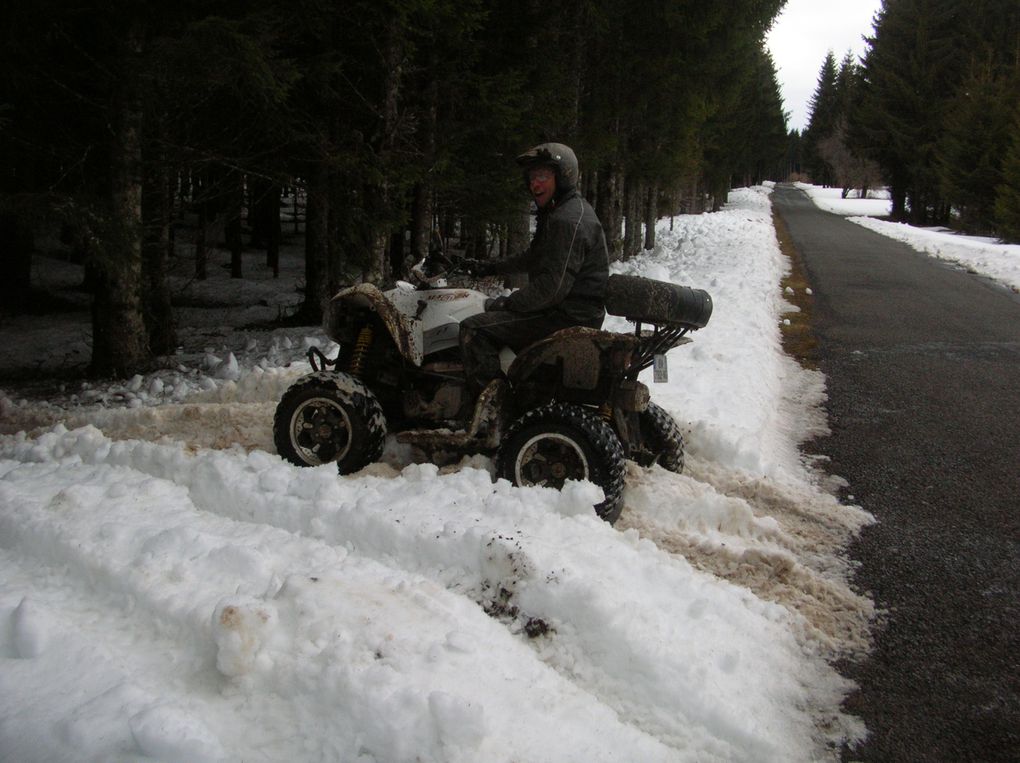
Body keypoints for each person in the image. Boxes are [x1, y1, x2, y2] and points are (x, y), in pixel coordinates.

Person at [458, 142, 610, 394]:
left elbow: (552, 289)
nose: (534, 184)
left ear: (563, 176)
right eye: (531, 177)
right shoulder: (562, 211)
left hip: (565, 316)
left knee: (473, 329)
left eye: (542, 176)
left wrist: (508, 302)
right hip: (574, 311)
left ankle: (493, 410)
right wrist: (489, 268)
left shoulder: (566, 220)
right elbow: (533, 257)